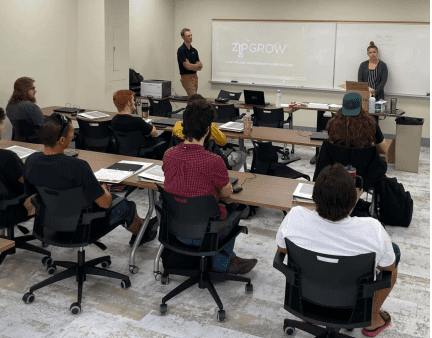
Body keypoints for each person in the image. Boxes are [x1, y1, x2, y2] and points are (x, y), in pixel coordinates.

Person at [276, 163, 400, 337]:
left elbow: (282, 249)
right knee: (393, 253)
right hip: (352, 306)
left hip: (307, 300)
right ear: (353, 200)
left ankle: (310, 318)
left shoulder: (294, 217)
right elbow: (388, 269)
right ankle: (372, 318)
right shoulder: (373, 230)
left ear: (315, 197)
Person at [23, 113, 156, 247]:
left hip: (50, 224)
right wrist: (104, 187)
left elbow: (33, 197)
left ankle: (144, 224)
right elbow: (104, 203)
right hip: (84, 227)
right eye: (71, 132)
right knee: (125, 206)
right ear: (62, 140)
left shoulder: (31, 161)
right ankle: (144, 233)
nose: (73, 135)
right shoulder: (78, 167)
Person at [162, 100, 257, 275]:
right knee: (235, 210)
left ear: (183, 127)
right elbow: (226, 191)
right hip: (206, 233)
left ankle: (219, 259)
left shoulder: (169, 155)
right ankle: (222, 263)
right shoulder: (214, 161)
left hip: (175, 229)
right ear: (208, 130)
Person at [111, 90, 169, 160]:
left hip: (125, 152)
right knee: (167, 134)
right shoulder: (137, 121)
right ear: (129, 103)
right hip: (142, 149)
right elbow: (155, 133)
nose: (135, 102)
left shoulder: (114, 120)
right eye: (133, 100)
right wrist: (149, 125)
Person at [0, 107, 35, 223]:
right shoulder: (8, 157)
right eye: (1, 123)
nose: (2, 127)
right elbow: (27, 182)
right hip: (9, 210)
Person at [6, 77, 45, 142]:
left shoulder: (9, 106)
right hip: (36, 143)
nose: (35, 91)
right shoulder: (31, 107)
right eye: (32, 89)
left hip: (18, 143)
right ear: (24, 90)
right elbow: (45, 128)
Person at [177, 28, 203, 97]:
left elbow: (200, 66)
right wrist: (195, 66)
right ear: (183, 37)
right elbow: (187, 66)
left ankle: (190, 107)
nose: (190, 37)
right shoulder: (181, 50)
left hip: (194, 77)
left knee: (192, 99)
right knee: (193, 97)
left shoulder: (194, 50)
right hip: (186, 77)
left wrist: (192, 65)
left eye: (191, 35)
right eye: (188, 36)